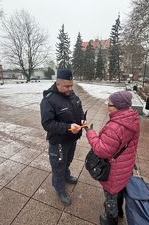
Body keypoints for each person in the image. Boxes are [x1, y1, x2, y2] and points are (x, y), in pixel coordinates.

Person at [84, 90, 140, 225]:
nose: (107, 106)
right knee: (120, 189)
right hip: (125, 166)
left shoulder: (114, 127)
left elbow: (101, 150)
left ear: (118, 107)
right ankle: (120, 211)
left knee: (111, 194)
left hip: (114, 170)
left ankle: (111, 219)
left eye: (109, 104)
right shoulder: (133, 119)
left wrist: (89, 131)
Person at [40, 69, 85, 206]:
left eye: (71, 85)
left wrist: (82, 119)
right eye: (67, 86)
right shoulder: (48, 100)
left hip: (72, 138)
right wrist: (67, 128)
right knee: (58, 165)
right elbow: (47, 124)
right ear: (58, 83)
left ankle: (66, 175)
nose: (70, 89)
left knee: (68, 160)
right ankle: (60, 189)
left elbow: (78, 109)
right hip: (58, 141)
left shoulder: (70, 93)